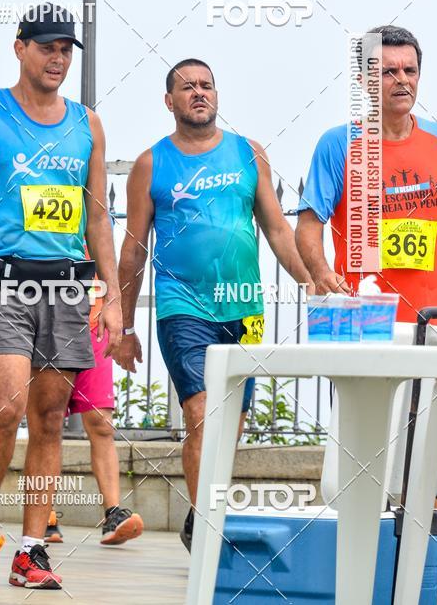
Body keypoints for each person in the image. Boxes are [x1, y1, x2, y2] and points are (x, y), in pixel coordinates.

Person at [0, 4, 122, 589]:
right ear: (20, 48)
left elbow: (98, 220)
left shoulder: (87, 124)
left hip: (66, 284)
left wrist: (112, 296)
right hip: (1, 282)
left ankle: (31, 550)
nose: (58, 59)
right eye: (47, 47)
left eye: (67, 50)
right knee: (8, 407)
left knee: (49, 419)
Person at [114, 58, 312, 551]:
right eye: (187, 87)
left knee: (231, 426)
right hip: (183, 307)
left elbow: (277, 229)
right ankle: (208, 536)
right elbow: (134, 249)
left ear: (217, 95)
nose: (199, 93)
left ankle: (202, 514)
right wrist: (123, 326)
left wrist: (311, 281)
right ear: (170, 101)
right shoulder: (151, 164)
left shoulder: (249, 154)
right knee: (201, 414)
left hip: (243, 308)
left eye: (206, 85)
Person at [295, 25, 437, 319]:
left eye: (410, 70)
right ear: (364, 81)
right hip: (365, 320)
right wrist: (321, 272)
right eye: (388, 72)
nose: (402, 80)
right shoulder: (338, 144)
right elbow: (308, 224)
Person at [44, 278, 144, 546]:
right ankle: (44, 516)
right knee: (46, 423)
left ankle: (113, 514)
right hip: (47, 319)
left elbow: (113, 264)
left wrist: (119, 318)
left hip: (94, 324)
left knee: (101, 423)